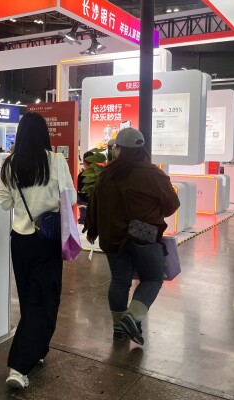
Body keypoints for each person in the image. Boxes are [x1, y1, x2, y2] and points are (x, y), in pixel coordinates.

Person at [0, 112, 76, 389]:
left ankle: (37, 348)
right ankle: (19, 367)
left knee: (29, 297)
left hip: (20, 239)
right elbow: (71, 196)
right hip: (47, 239)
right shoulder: (55, 160)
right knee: (44, 299)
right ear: (44, 133)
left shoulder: (10, 164)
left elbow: (4, 202)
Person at [85, 128, 180, 345]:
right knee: (153, 278)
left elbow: (95, 204)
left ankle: (119, 329)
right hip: (143, 232)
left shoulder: (108, 174)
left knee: (120, 281)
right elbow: (172, 205)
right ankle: (132, 317)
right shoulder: (154, 174)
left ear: (119, 150)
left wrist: (92, 229)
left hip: (112, 233)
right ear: (142, 149)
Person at [77, 151, 92, 224]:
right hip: (93, 201)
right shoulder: (98, 174)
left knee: (83, 219)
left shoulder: (81, 175)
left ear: (84, 162)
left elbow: (78, 188)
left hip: (83, 200)